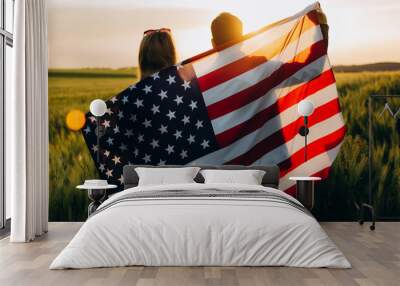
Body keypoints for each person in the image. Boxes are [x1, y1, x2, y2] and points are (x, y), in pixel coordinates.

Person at [211, 10, 329, 48]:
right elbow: (311, 70)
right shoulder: (258, 65)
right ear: (242, 41)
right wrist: (320, 26)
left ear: (213, 43)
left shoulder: (198, 81)